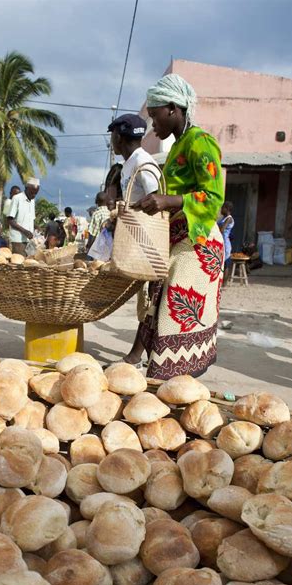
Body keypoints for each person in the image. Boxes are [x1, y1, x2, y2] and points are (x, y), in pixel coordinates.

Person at [130, 73, 224, 379]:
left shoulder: (200, 142)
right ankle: (148, 369)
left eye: (155, 116)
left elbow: (213, 197)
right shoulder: (179, 145)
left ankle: (168, 382)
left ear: (172, 108)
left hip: (198, 243)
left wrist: (169, 201)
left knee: (175, 309)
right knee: (156, 300)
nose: (153, 125)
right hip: (177, 237)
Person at [107, 114, 160, 366]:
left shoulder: (142, 161)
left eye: (112, 137)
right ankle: (141, 354)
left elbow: (156, 199)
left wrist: (131, 210)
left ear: (119, 136)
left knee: (149, 299)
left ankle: (136, 356)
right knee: (146, 299)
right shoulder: (129, 163)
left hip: (147, 240)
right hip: (135, 237)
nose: (111, 142)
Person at [7, 178, 40, 256]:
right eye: (32, 193)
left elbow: (30, 219)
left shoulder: (32, 201)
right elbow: (10, 220)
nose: (34, 195)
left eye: (36, 193)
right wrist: (24, 231)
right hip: (18, 240)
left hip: (30, 240)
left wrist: (37, 227)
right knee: (19, 264)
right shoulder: (17, 198)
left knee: (29, 264)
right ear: (26, 188)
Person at [218, 201, 235, 285]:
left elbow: (222, 230)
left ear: (227, 209)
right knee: (222, 263)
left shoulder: (229, 218)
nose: (221, 209)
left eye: (222, 208)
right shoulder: (224, 218)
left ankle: (224, 283)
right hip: (222, 242)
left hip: (225, 244)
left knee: (225, 264)